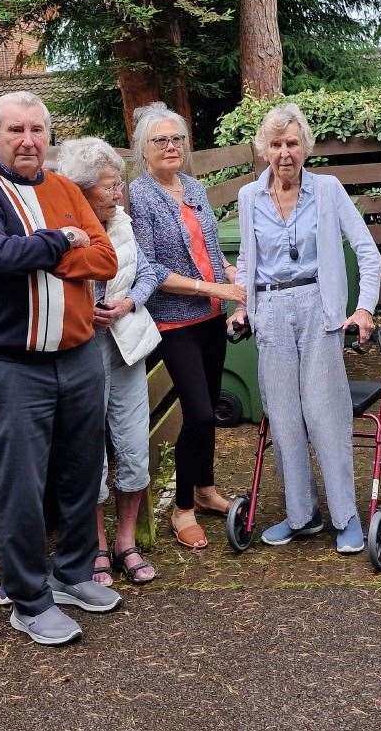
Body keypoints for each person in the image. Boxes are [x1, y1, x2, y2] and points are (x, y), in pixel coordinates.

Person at [0, 91, 120, 646]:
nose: (28, 141)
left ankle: (73, 573)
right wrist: (58, 241)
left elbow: (105, 258)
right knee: (21, 486)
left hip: (77, 358)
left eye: (37, 131)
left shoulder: (66, 187)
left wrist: (45, 250)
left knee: (79, 474)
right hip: (13, 366)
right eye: (15, 131)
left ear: (49, 136)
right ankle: (28, 598)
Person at [228, 103, 381, 554]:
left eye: (292, 143)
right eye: (275, 144)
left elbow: (367, 252)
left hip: (318, 305)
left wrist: (364, 309)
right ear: (263, 150)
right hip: (270, 309)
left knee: (325, 413)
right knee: (284, 415)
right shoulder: (248, 197)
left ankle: (346, 515)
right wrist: (241, 305)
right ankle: (302, 515)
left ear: (305, 147)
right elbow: (247, 263)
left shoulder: (328, 190)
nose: (284, 153)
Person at [128, 102, 246, 551]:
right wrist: (212, 290)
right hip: (173, 321)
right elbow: (152, 268)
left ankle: (205, 487)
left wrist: (230, 275)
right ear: (144, 151)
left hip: (210, 318)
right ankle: (181, 508)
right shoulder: (140, 194)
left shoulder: (192, 186)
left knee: (210, 404)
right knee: (196, 412)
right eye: (160, 140)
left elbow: (208, 248)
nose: (171, 146)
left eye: (177, 138)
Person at [58, 137, 161, 585]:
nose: (118, 192)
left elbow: (151, 271)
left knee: (134, 445)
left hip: (126, 346)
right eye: (108, 186)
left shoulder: (124, 222)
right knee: (89, 450)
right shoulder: (63, 228)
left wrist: (130, 302)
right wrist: (84, 308)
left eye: (118, 183)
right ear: (81, 190)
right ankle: (96, 545)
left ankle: (127, 541)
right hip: (81, 348)